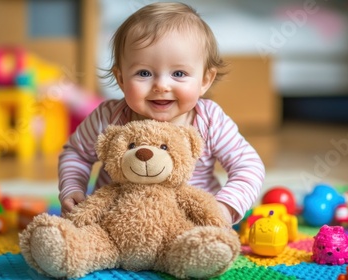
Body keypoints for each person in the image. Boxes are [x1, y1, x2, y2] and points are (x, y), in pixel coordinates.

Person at [58, 2, 265, 225]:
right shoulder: (108, 117)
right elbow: (76, 154)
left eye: (178, 73)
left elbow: (248, 165)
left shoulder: (210, 119)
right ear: (121, 78)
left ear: (205, 80)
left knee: (203, 251)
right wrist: (72, 188)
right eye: (144, 73)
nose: (161, 85)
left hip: (190, 224)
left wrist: (225, 206)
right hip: (117, 222)